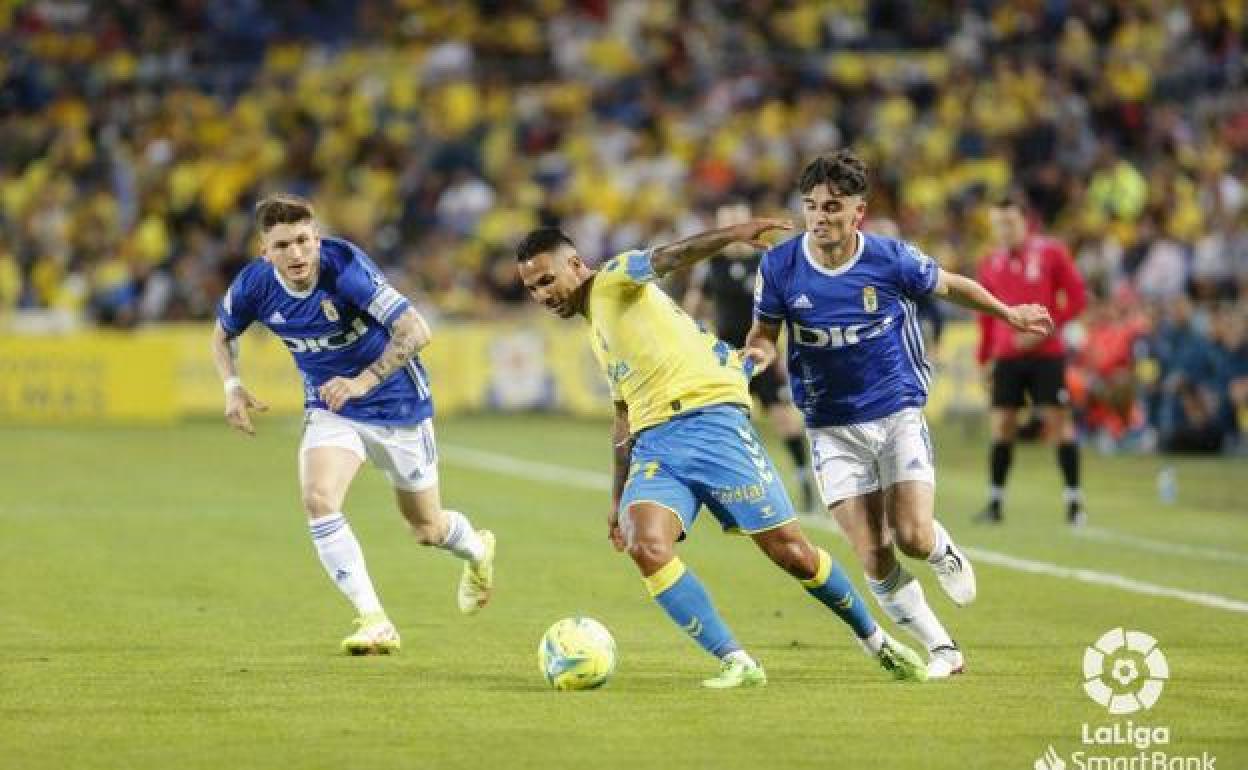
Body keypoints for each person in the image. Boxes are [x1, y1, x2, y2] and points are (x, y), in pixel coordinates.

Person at [516, 222, 930, 689]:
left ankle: (876, 640)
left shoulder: (613, 279)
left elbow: (671, 255)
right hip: (657, 442)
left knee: (792, 553)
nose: (541, 294)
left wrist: (733, 233)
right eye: (531, 288)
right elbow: (622, 417)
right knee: (645, 545)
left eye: (547, 280)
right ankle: (737, 661)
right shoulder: (598, 326)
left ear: (575, 264)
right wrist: (617, 500)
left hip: (712, 425)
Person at [746, 151, 1053, 678]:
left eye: (833, 207)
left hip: (896, 412)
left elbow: (952, 284)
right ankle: (943, 650)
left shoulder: (891, 260)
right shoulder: (779, 266)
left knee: (912, 535)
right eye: (812, 206)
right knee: (874, 554)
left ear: (858, 212)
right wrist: (754, 357)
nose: (820, 217)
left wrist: (1006, 312)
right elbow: (764, 335)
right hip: (829, 425)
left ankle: (942, 551)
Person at [210, 194, 495, 655]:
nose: (297, 254)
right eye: (282, 245)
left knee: (426, 528)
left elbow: (417, 330)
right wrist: (232, 386)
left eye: (304, 240)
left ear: (317, 238)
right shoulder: (253, 286)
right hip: (331, 406)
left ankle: (478, 551)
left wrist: (363, 380)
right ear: (265, 252)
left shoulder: (346, 270)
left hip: (398, 405)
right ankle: (374, 619)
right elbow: (222, 335)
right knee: (318, 499)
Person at [682, 202, 817, 513]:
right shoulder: (710, 266)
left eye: (736, 223)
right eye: (724, 224)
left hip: (763, 357)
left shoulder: (766, 263)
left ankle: (804, 477)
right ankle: (725, 491)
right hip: (727, 360)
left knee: (785, 421)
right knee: (724, 426)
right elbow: (692, 308)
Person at [974, 194, 1089, 526]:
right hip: (1007, 358)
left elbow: (1078, 299)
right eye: (998, 225)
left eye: (1009, 222)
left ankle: (1074, 501)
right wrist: (984, 359)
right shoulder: (990, 262)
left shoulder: (1051, 252)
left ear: (1026, 221)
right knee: (1002, 426)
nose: (1004, 230)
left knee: (1058, 423)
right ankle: (995, 503)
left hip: (1046, 355)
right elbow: (984, 317)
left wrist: (1046, 330)